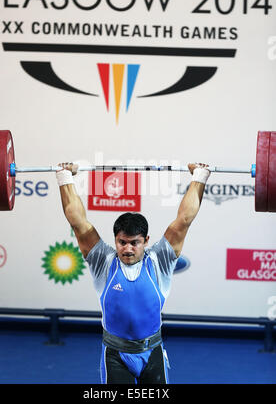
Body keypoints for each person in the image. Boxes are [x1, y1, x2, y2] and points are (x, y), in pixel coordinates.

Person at [56, 162, 211, 384]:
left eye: (135, 243)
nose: (127, 249)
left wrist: (200, 175)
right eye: (122, 242)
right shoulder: (104, 261)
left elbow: (184, 220)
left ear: (146, 241)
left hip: (152, 353)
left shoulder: (160, 260)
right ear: (115, 240)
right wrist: (65, 178)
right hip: (115, 355)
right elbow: (77, 222)